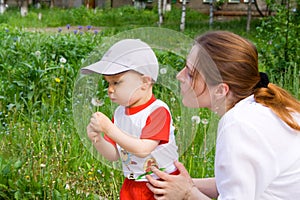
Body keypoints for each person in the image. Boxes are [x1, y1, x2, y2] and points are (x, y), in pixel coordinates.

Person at [146, 30, 300, 200]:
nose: (179, 75)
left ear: (220, 90)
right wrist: (182, 184)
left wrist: (187, 194)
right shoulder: (262, 108)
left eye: (190, 74)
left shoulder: (238, 125)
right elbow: (235, 184)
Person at [81, 39, 179, 200]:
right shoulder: (120, 114)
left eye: (116, 82)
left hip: (160, 184)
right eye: (108, 84)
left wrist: (109, 129)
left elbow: (143, 150)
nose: (110, 90)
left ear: (144, 82)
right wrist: (97, 139)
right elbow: (114, 154)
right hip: (132, 183)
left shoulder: (157, 111)